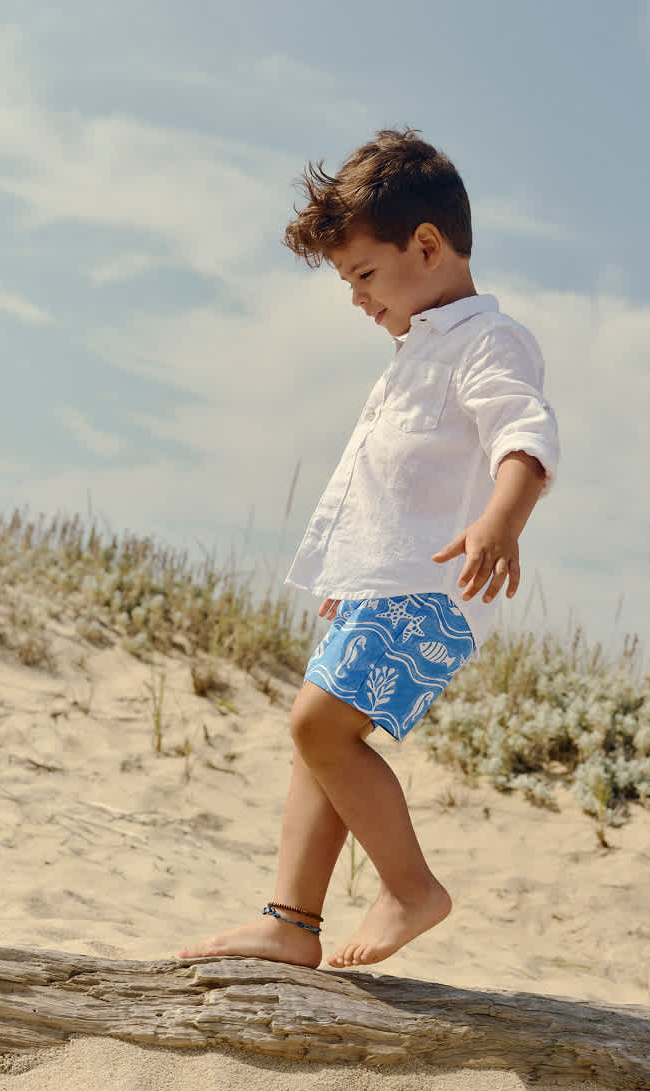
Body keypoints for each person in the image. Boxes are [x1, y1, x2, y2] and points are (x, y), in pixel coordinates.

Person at [180, 128, 560, 970]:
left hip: (430, 589)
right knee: (317, 746)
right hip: (375, 587)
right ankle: (290, 922)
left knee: (320, 727)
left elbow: (524, 431)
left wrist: (503, 519)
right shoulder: (412, 356)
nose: (355, 298)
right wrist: (347, 570)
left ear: (425, 245)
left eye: (362, 274)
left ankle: (410, 887)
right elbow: (389, 483)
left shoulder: (485, 342)